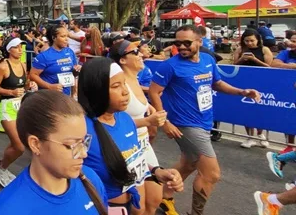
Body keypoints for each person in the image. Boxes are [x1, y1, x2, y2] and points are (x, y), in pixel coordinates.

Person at [148, 25, 261, 215]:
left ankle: (161, 197)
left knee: (189, 163)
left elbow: (216, 83)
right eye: (177, 43)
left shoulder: (208, 59)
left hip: (204, 120)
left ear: (200, 41)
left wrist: (241, 92)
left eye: (187, 43)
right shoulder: (170, 65)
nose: (181, 47)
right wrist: (165, 121)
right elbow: (154, 91)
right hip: (185, 125)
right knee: (211, 173)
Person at [78, 57, 183, 213]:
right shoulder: (80, 129)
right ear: (96, 89)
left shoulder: (125, 118)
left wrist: (156, 172)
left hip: (131, 205)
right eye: (116, 86)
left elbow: (133, 160)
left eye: (124, 83)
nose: (126, 92)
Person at [0, 90, 109, 214]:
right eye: (72, 145)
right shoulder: (5, 210)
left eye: (84, 142)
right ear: (36, 144)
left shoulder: (91, 178)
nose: (83, 153)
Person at [109, 42, 168, 215]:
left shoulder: (135, 78)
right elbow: (112, 123)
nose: (141, 54)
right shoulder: (120, 85)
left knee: (155, 198)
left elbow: (136, 110)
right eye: (135, 52)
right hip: (126, 147)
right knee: (137, 206)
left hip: (143, 144)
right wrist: (148, 121)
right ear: (123, 60)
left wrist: (146, 109)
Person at [0, 37, 37, 188]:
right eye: (17, 47)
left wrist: (30, 85)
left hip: (20, 106)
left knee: (16, 143)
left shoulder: (24, 65)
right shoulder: (3, 67)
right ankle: (2, 168)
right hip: (6, 107)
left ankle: (2, 164)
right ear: (9, 50)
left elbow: (24, 85)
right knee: (19, 146)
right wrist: (10, 92)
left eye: (21, 47)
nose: (20, 50)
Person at [232, 28, 273, 149]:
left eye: (252, 41)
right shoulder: (240, 49)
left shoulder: (265, 49)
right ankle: (250, 136)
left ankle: (260, 134)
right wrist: (242, 59)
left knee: (259, 109)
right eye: (246, 41)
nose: (249, 43)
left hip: (261, 82)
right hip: (244, 82)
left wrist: (254, 59)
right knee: (246, 109)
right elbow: (234, 66)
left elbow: (269, 66)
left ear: (258, 40)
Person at [29, 25, 80, 97]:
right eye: (63, 36)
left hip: (66, 97)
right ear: (54, 38)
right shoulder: (44, 56)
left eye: (67, 36)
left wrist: (76, 70)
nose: (66, 39)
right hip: (49, 97)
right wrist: (49, 86)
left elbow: (73, 72)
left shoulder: (70, 52)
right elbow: (32, 75)